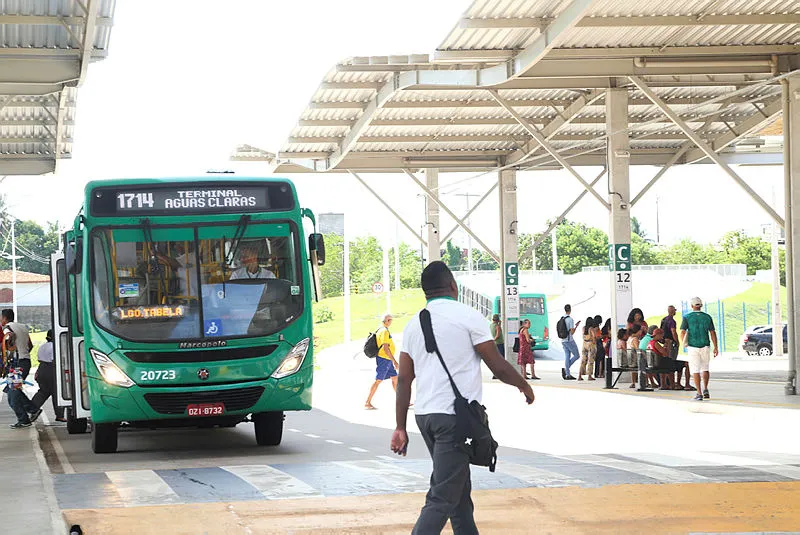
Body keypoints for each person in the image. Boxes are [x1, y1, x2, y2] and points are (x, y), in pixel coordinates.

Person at [390, 261, 534, 535]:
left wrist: (400, 427)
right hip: (454, 420)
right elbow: (497, 365)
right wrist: (523, 385)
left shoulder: (413, 325)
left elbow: (405, 380)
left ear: (426, 291)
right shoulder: (468, 316)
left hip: (426, 417)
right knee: (442, 498)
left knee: (457, 492)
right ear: (453, 285)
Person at [1, 309, 41, 428]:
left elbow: (9, 340)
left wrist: (10, 351)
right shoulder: (23, 327)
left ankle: (24, 419)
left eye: (1, 318)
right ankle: (33, 410)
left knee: (12, 394)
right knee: (12, 389)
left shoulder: (7, 328)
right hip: (25, 362)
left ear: (5, 318)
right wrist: (24, 353)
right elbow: (30, 345)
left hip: (16, 364)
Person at [680, 297, 719, 401]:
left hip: (693, 346)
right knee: (705, 368)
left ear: (692, 306)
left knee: (695, 370)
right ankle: (706, 389)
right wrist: (716, 347)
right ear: (701, 305)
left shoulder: (687, 317)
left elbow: (682, 331)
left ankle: (699, 392)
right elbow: (712, 332)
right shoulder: (707, 317)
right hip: (705, 345)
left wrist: (684, 342)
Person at [30, 329, 66, 422]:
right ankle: (60, 415)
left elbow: (40, 360)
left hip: (42, 369)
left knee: (43, 392)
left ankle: (31, 408)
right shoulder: (55, 347)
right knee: (57, 392)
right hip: (51, 370)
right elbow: (55, 361)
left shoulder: (42, 346)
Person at [364, 314, 398, 410]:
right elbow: (386, 348)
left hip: (386, 359)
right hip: (384, 359)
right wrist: (394, 361)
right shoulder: (384, 331)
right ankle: (367, 402)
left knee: (395, 378)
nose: (391, 321)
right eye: (390, 320)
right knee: (378, 380)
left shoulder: (381, 329)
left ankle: (403, 401)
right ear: (387, 321)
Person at [661, 305, 693, 390]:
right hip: (671, 343)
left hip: (665, 343)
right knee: (672, 362)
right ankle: (674, 383)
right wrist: (677, 342)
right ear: (673, 311)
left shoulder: (663, 319)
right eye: (674, 310)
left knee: (668, 361)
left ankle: (667, 382)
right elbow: (673, 332)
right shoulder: (672, 321)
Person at [559, 304, 581, 380]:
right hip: (569, 340)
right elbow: (572, 332)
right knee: (577, 355)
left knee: (567, 355)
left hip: (563, 340)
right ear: (570, 310)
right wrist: (576, 326)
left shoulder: (562, 318)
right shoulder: (570, 319)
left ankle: (568, 374)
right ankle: (566, 369)